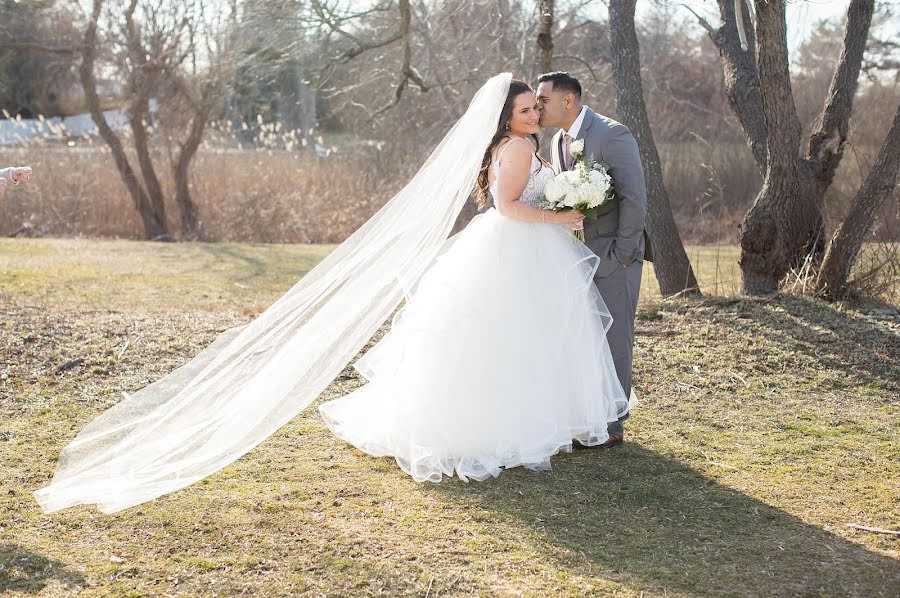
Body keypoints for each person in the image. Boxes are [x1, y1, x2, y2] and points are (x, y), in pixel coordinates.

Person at [34, 74, 630, 514]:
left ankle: (534, 421)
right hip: (517, 246)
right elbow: (507, 205)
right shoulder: (521, 146)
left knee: (516, 339)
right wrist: (562, 220)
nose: (533, 115)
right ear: (508, 115)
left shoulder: (521, 145)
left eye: (535, 109)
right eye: (525, 109)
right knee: (515, 337)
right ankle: (516, 426)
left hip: (517, 249)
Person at [536, 71, 651, 448]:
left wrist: (622, 254)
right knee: (586, 338)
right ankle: (589, 416)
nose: (539, 107)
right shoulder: (556, 141)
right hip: (576, 258)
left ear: (568, 100)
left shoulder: (612, 134)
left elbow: (635, 198)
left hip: (614, 257)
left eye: (543, 100)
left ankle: (613, 425)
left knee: (616, 337)